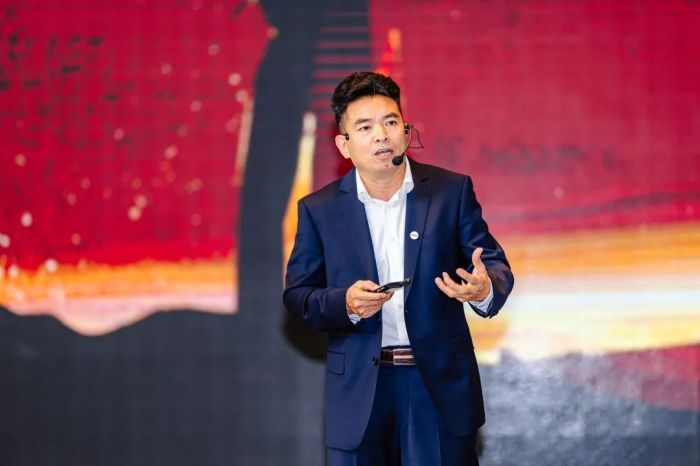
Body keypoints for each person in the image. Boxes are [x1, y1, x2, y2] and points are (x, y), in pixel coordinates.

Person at [283, 71, 514, 466]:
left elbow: (492, 262)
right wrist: (346, 303)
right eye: (365, 127)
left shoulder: (450, 192)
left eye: (391, 122)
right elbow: (299, 296)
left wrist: (484, 288)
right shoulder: (319, 210)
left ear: (406, 132)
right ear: (343, 144)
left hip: (437, 385)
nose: (381, 135)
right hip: (360, 388)